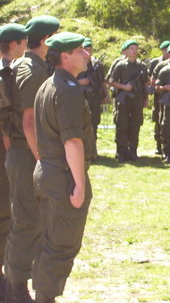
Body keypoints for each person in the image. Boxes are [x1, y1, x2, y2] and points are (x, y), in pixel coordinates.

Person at [32, 32, 94, 303]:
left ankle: (43, 296)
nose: (87, 54)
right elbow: (72, 141)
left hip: (48, 171)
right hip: (63, 176)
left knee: (48, 242)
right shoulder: (67, 89)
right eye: (81, 50)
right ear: (65, 56)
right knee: (61, 245)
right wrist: (79, 184)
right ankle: (44, 298)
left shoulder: (48, 85)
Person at [4, 15, 60, 303]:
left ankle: (17, 281)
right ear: (46, 40)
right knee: (26, 220)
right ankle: (16, 287)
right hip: (26, 153)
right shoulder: (32, 69)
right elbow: (28, 122)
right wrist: (42, 161)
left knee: (27, 218)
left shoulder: (30, 66)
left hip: (23, 151)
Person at [0, 23, 28, 301]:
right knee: (5, 213)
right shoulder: (3, 74)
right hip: (3, 151)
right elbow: (4, 120)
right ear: (13, 45)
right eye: (24, 42)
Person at [109, 40, 148, 162]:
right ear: (127, 50)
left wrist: (146, 99)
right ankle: (121, 152)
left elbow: (145, 84)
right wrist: (124, 87)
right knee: (122, 125)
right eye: (132, 48)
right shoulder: (121, 65)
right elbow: (111, 81)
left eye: (136, 48)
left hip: (137, 100)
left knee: (135, 126)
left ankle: (133, 152)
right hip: (124, 100)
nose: (134, 51)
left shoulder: (142, 66)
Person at [77, 38, 109, 144]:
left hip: (94, 98)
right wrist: (80, 82)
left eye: (90, 50)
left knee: (94, 123)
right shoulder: (77, 64)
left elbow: (102, 81)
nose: (88, 52)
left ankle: (92, 149)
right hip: (81, 98)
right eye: (86, 49)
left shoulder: (96, 65)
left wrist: (106, 95)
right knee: (81, 123)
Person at [148, 40, 170, 155]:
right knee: (158, 118)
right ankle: (158, 144)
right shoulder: (156, 62)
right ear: (163, 50)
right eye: (166, 50)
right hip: (159, 95)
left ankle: (168, 145)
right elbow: (151, 79)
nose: (168, 52)